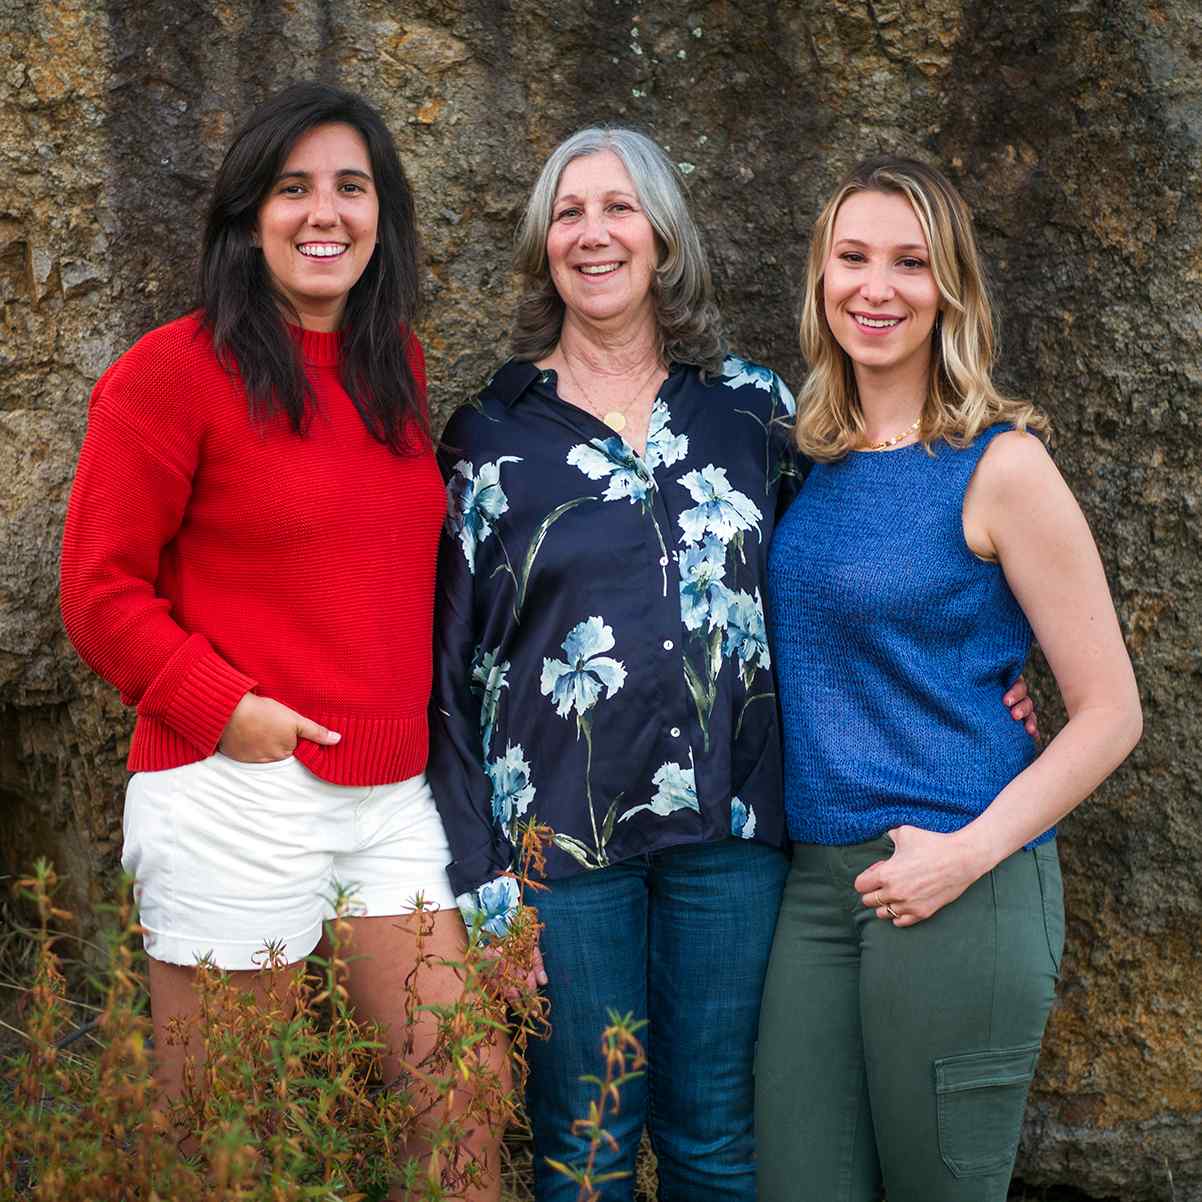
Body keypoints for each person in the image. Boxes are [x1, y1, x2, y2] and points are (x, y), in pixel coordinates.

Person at [427, 132, 1036, 1202]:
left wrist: (996, 656)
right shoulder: (486, 434)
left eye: (619, 208)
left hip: (733, 836)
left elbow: (859, 564)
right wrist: (480, 875)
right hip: (557, 849)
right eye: (567, 213)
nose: (593, 232)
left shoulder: (755, 410)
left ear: (662, 236)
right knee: (584, 1146)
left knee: (717, 1142)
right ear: (541, 246)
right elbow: (449, 664)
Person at [59, 82, 506, 1200]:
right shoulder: (171, 371)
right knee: (228, 1132)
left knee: (463, 1088)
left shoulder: (388, 364)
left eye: (350, 187)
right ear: (246, 216)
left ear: (381, 214)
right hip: (232, 788)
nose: (324, 212)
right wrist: (229, 711)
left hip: (387, 796)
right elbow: (98, 588)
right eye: (292, 187)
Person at [756, 156, 1142, 1202]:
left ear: (950, 291)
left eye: (908, 263)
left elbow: (1110, 712)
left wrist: (963, 853)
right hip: (817, 884)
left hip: (958, 876)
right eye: (852, 258)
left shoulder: (998, 465)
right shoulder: (812, 459)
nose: (874, 287)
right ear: (819, 278)